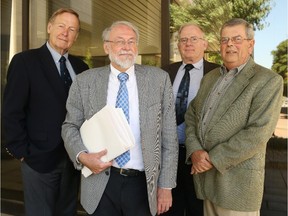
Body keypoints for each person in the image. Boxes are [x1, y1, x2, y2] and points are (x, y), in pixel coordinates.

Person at [61, 20, 178, 216]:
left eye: (131, 41)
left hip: (142, 184)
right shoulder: (85, 81)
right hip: (100, 183)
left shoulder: (158, 80)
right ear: (107, 46)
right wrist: (82, 156)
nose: (126, 47)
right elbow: (70, 126)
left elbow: (169, 137)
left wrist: (166, 185)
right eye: (120, 41)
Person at [185, 18, 283, 216]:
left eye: (237, 39)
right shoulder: (210, 78)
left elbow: (258, 133)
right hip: (207, 183)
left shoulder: (268, 80)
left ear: (251, 44)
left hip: (237, 187)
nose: (229, 44)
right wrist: (195, 150)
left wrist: (209, 159)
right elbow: (192, 114)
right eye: (224, 40)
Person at [2, 8, 89, 216]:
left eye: (72, 29)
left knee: (67, 212)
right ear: (49, 27)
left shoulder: (82, 67)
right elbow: (11, 112)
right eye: (61, 26)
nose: (65, 33)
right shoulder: (25, 62)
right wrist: (21, 151)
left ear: (76, 36)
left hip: (73, 160)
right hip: (38, 159)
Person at [162, 23, 219, 216]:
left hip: (200, 158)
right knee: (169, 209)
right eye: (183, 40)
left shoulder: (219, 74)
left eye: (194, 39)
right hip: (168, 154)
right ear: (178, 45)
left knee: (198, 209)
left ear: (204, 44)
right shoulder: (165, 72)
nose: (188, 43)